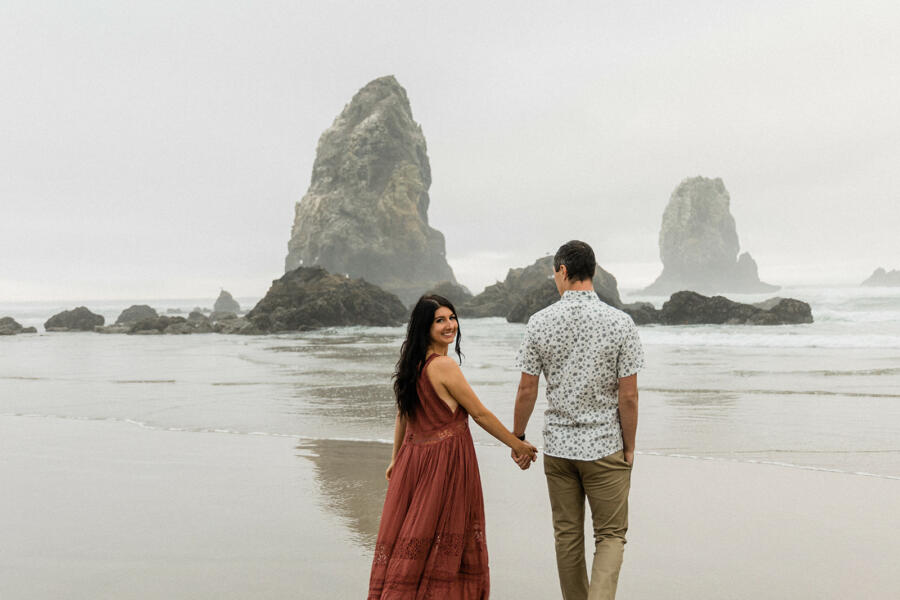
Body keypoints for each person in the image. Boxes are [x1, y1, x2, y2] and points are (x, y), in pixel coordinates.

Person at [368, 294, 538, 599]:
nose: (450, 326)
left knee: (414, 537)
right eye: (440, 320)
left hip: (413, 461)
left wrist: (395, 459)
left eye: (452, 318)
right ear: (425, 327)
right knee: (442, 538)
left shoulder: (413, 364)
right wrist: (518, 444)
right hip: (444, 464)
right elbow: (480, 413)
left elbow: (402, 416)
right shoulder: (444, 365)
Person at [511, 240, 644, 600]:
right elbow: (628, 396)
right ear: (594, 272)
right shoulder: (621, 323)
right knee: (611, 535)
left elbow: (527, 389)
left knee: (568, 535)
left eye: (555, 273)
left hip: (558, 449)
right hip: (605, 446)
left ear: (564, 271)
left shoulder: (540, 322)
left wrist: (518, 438)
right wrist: (629, 447)